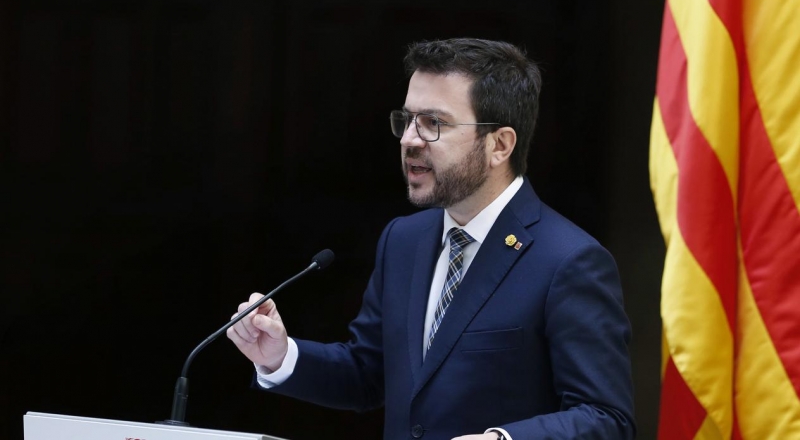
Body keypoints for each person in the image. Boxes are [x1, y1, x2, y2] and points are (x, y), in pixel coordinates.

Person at [227, 38, 635, 439]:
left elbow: (605, 418)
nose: (409, 140)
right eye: (406, 120)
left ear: (500, 145)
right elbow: (369, 375)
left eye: (433, 123)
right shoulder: (403, 239)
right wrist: (281, 357)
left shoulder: (569, 260)